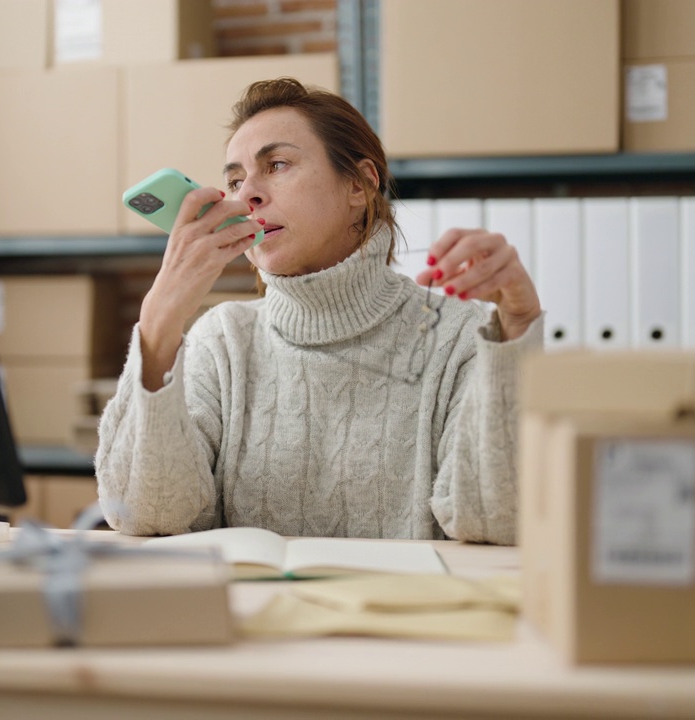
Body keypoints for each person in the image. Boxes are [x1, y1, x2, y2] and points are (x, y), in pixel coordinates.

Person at [95, 78, 543, 544]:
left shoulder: (461, 337)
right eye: (234, 180)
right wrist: (158, 326)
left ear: (359, 185)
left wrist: (517, 331)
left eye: (278, 164)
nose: (246, 194)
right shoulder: (222, 340)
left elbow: (498, 522)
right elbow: (142, 514)